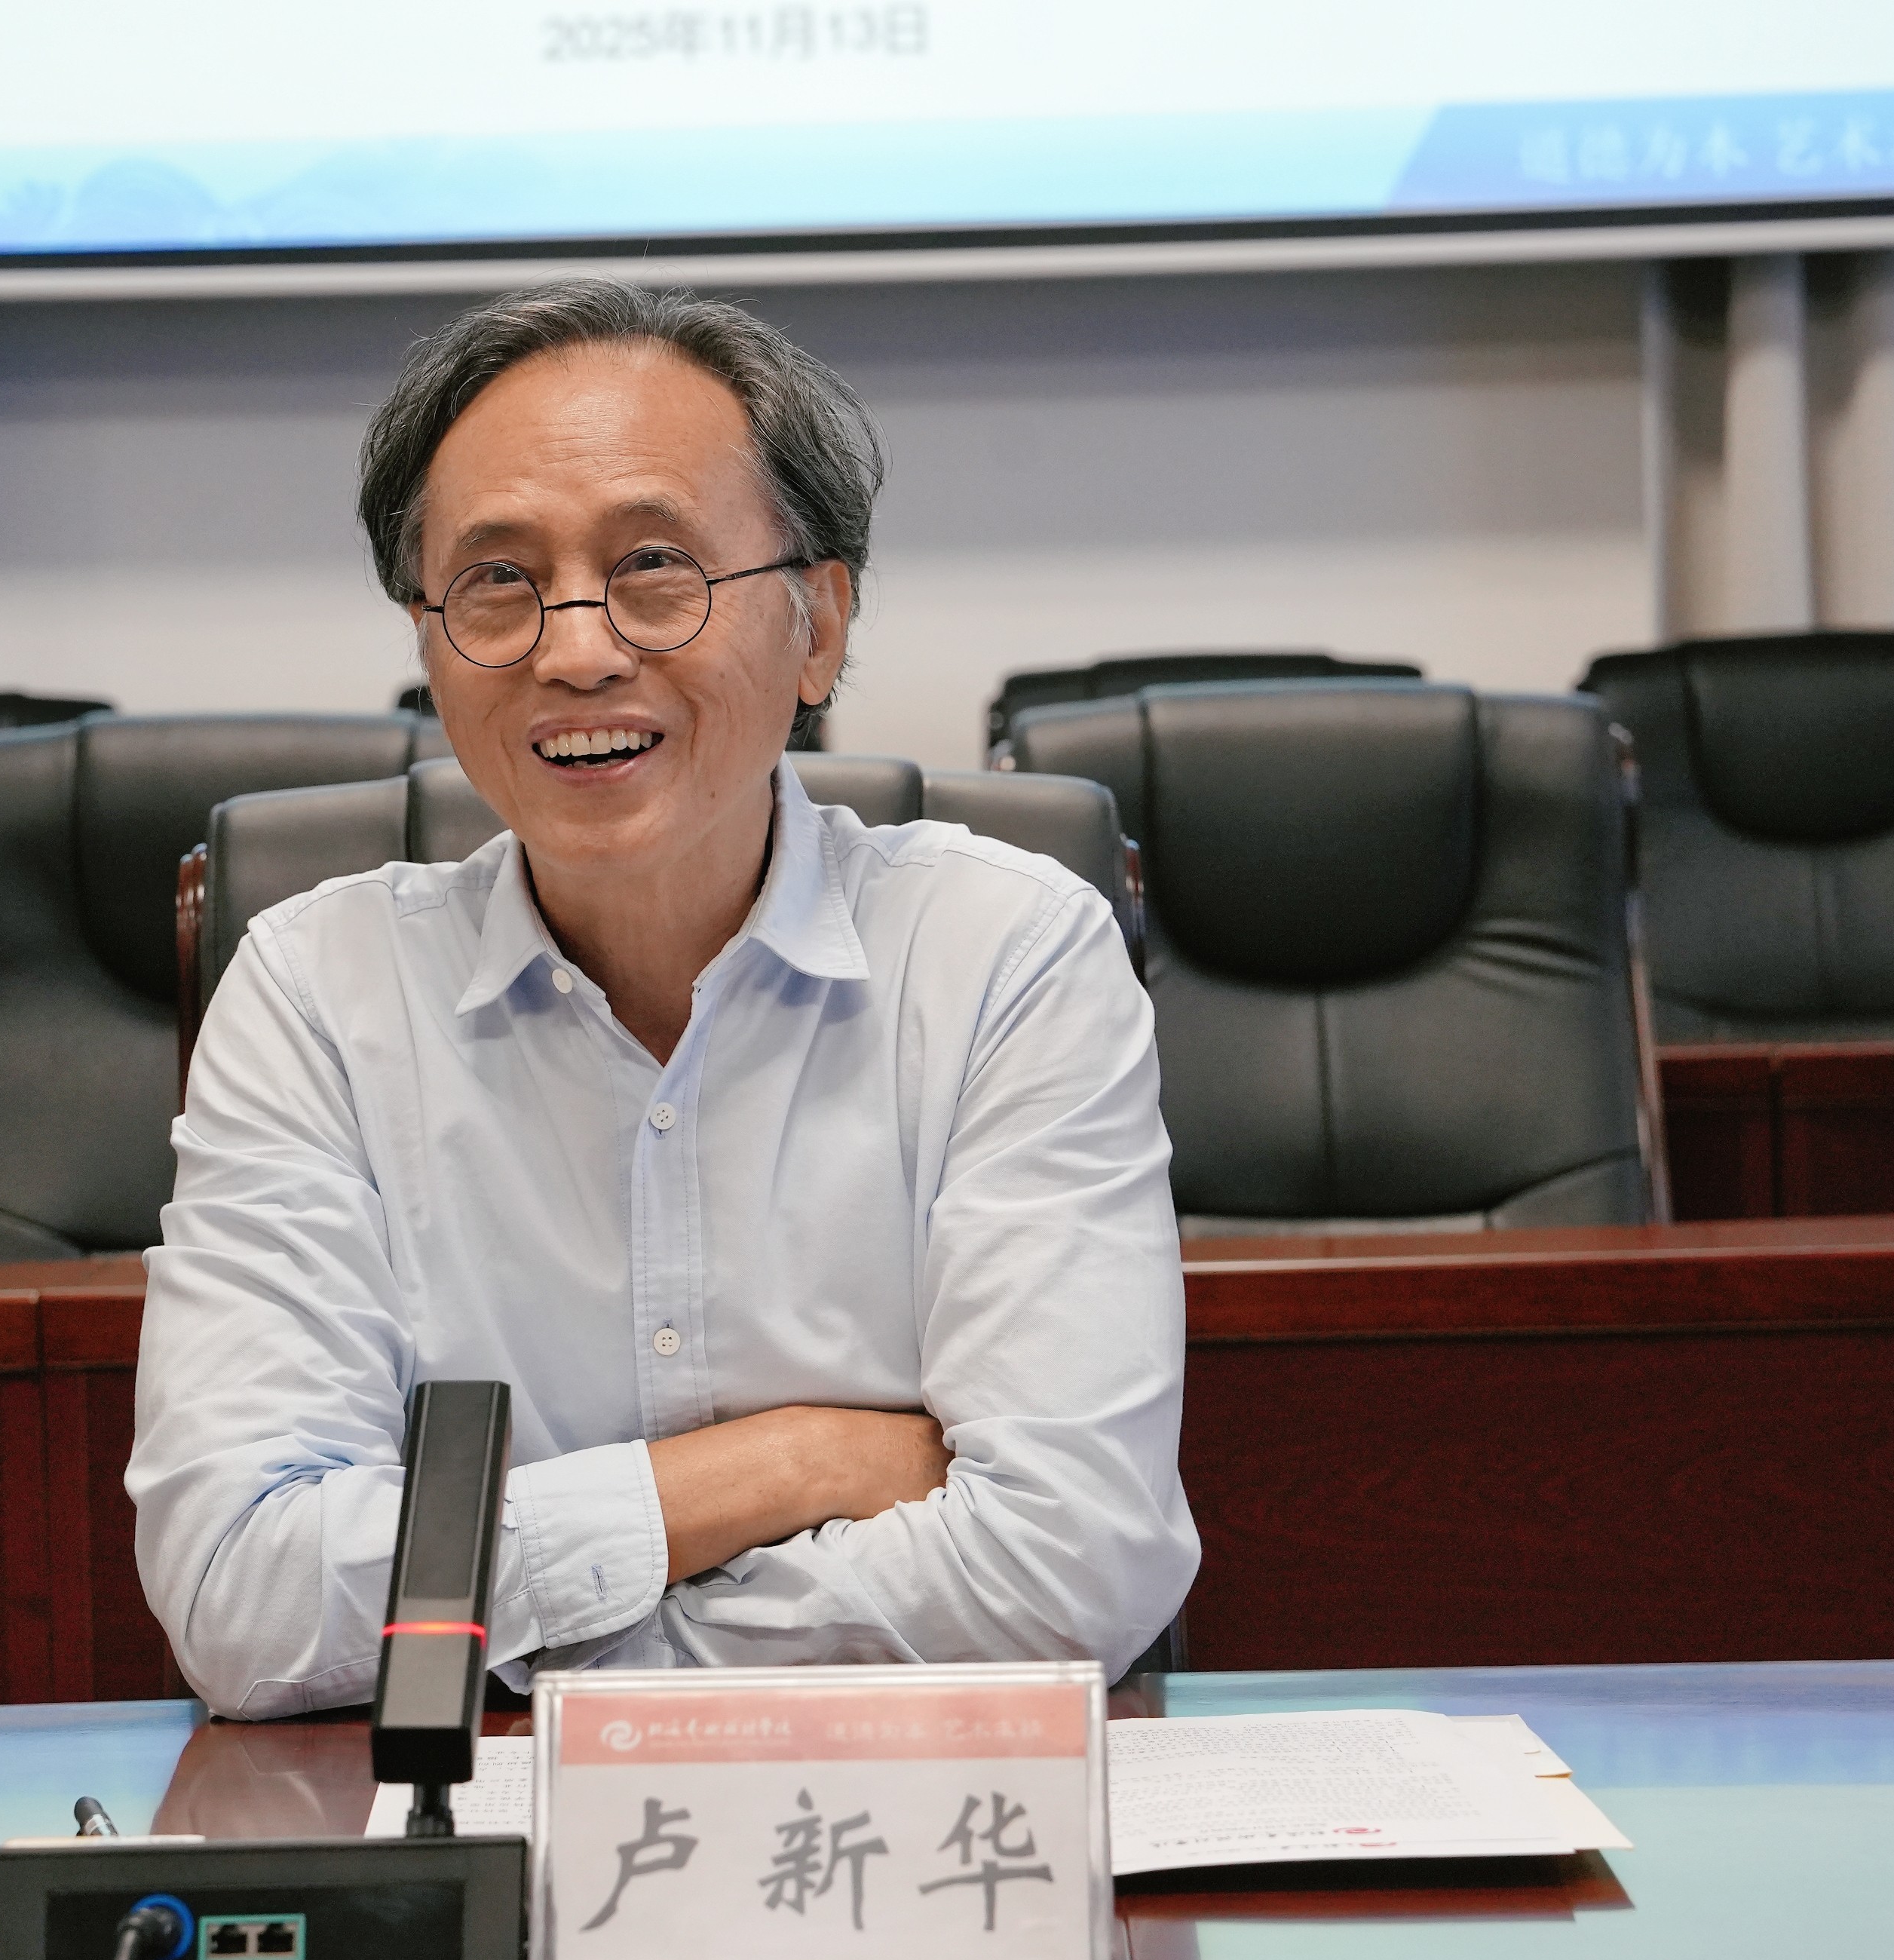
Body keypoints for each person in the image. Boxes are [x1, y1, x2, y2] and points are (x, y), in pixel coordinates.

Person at [130, 279, 1195, 1717]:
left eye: (655, 568)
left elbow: (1072, 1566)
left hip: (905, 1824)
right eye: (496, 582)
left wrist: (527, 1639)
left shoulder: (1006, 957)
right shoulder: (318, 992)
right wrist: (787, 1465)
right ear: (429, 642)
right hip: (486, 1833)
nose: (576, 651)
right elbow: (241, 1594)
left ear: (819, 626)